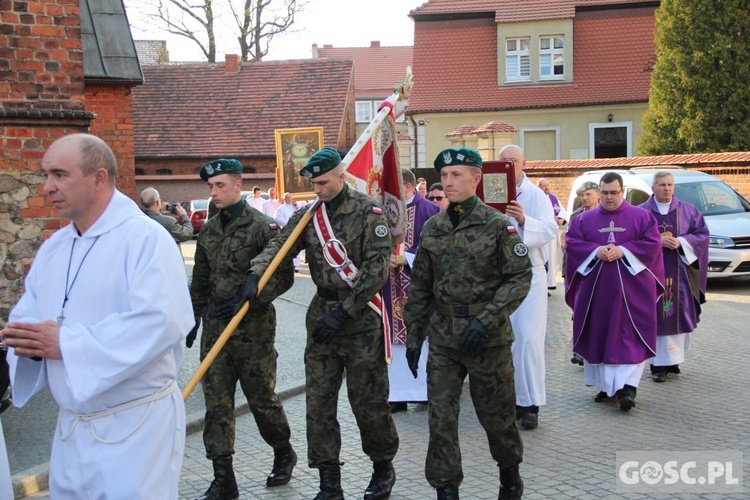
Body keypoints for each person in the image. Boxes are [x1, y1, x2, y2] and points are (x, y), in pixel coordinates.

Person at [1, 133, 193, 497]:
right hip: (72, 428)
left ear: (99, 178)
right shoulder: (55, 248)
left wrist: (66, 343)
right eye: (46, 175)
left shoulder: (146, 239)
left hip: (136, 428)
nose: (47, 187)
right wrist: (25, 344)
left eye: (59, 175)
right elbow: (29, 316)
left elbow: (161, 321)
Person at [247, 147, 399, 500]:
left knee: (367, 401)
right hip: (321, 318)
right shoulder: (308, 216)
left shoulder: (368, 212)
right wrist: (255, 274)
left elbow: (377, 268)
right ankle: (329, 480)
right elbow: (280, 247)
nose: (318, 189)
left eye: (324, 182)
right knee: (318, 403)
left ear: (341, 175)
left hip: (361, 319)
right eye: (313, 184)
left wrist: (345, 311)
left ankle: (382, 468)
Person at [404, 147, 531, 500]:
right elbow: (421, 288)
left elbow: (519, 278)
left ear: (476, 179)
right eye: (444, 176)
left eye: (456, 175)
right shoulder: (434, 227)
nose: (448, 182)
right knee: (441, 419)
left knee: (497, 416)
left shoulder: (497, 225)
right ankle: (446, 488)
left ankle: (509, 475)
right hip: (444, 338)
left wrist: (486, 321)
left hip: (486, 340)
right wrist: (414, 337)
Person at [187, 158, 297, 499]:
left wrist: (255, 296)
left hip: (253, 328)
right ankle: (223, 477)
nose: (214, 192)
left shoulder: (263, 227)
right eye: (211, 187)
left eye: (220, 185)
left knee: (261, 399)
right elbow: (201, 279)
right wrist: (192, 316)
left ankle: (283, 451)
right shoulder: (209, 229)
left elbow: (283, 275)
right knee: (216, 402)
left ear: (238, 186)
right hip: (217, 327)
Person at [565, 171, 665, 411]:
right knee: (599, 334)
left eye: (614, 192)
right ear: (599, 193)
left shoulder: (642, 217)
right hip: (596, 293)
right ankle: (607, 387)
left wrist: (624, 251)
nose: (609, 198)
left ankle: (628, 388)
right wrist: (595, 251)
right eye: (605, 193)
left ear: (623, 192)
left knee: (630, 336)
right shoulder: (583, 219)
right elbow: (573, 242)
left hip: (633, 293)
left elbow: (652, 244)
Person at [498, 145, 558, 430]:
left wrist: (523, 219)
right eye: (502, 161)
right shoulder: (489, 192)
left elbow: (549, 229)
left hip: (527, 274)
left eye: (513, 161)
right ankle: (506, 400)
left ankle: (530, 403)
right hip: (495, 275)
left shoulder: (536, 196)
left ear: (524, 164)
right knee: (500, 340)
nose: (508, 165)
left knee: (527, 338)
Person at [640, 171, 709, 382]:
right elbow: (632, 239)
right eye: (661, 185)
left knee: (677, 314)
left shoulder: (688, 211)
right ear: (653, 188)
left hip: (680, 272)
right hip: (650, 275)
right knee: (655, 316)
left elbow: (702, 235)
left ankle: (673, 361)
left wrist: (682, 242)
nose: (667, 188)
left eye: (670, 184)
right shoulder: (641, 212)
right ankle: (657, 366)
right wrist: (656, 242)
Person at [385, 168, 439, 412]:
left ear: (406, 187)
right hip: (388, 285)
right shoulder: (384, 210)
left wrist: (406, 257)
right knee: (392, 338)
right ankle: (396, 396)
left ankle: (423, 392)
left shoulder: (429, 210)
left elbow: (436, 248)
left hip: (417, 285)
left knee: (421, 336)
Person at [563, 181, 600, 366]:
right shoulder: (576, 215)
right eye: (583, 195)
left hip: (599, 271)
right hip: (580, 269)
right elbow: (570, 245)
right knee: (579, 311)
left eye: (589, 194)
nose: (585, 198)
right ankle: (579, 349)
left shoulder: (604, 216)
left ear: (598, 194)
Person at [536, 178, 568, 290]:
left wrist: (561, 218)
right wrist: (551, 219)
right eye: (544, 186)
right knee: (544, 258)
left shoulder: (553, 199)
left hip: (554, 235)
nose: (547, 188)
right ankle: (543, 285)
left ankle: (550, 283)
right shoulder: (536, 198)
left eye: (548, 185)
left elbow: (562, 211)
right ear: (539, 186)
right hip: (543, 234)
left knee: (553, 258)